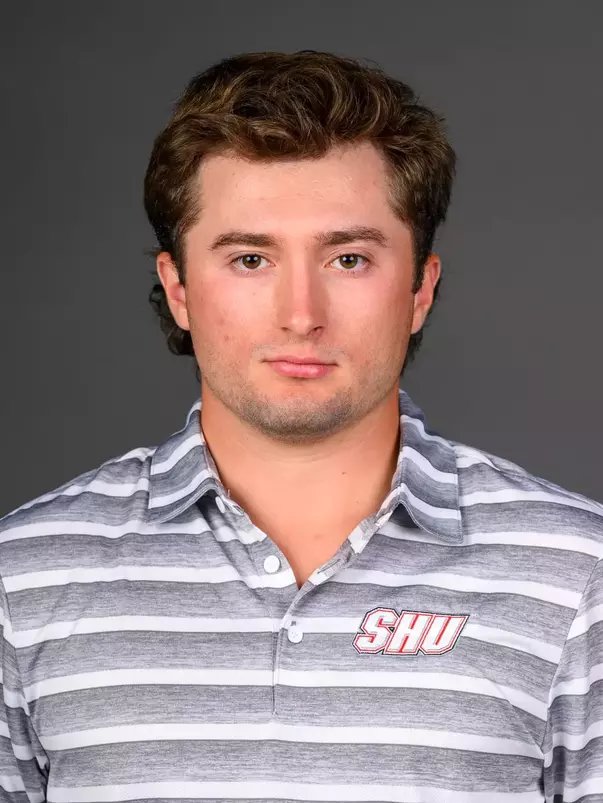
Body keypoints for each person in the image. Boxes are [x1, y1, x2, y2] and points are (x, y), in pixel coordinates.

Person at [0, 49, 601, 803]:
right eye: (250, 258)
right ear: (178, 289)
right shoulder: (23, 579)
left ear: (419, 289)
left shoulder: (579, 573)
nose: (300, 313)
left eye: (348, 258)